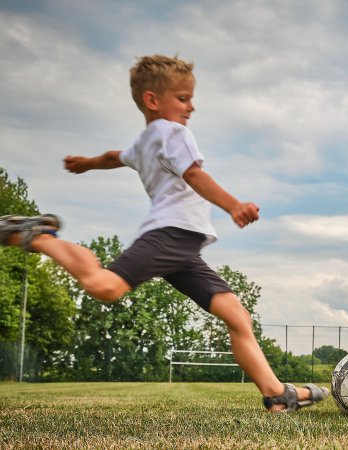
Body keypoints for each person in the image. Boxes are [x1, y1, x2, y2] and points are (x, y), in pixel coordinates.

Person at [0, 55, 328, 412]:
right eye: (183, 98)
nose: (192, 107)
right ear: (153, 100)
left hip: (183, 248)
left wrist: (87, 163)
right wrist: (233, 205)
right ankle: (38, 236)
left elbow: (115, 156)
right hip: (168, 235)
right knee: (105, 286)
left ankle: (278, 395)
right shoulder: (173, 132)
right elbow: (193, 175)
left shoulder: (145, 140)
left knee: (237, 316)